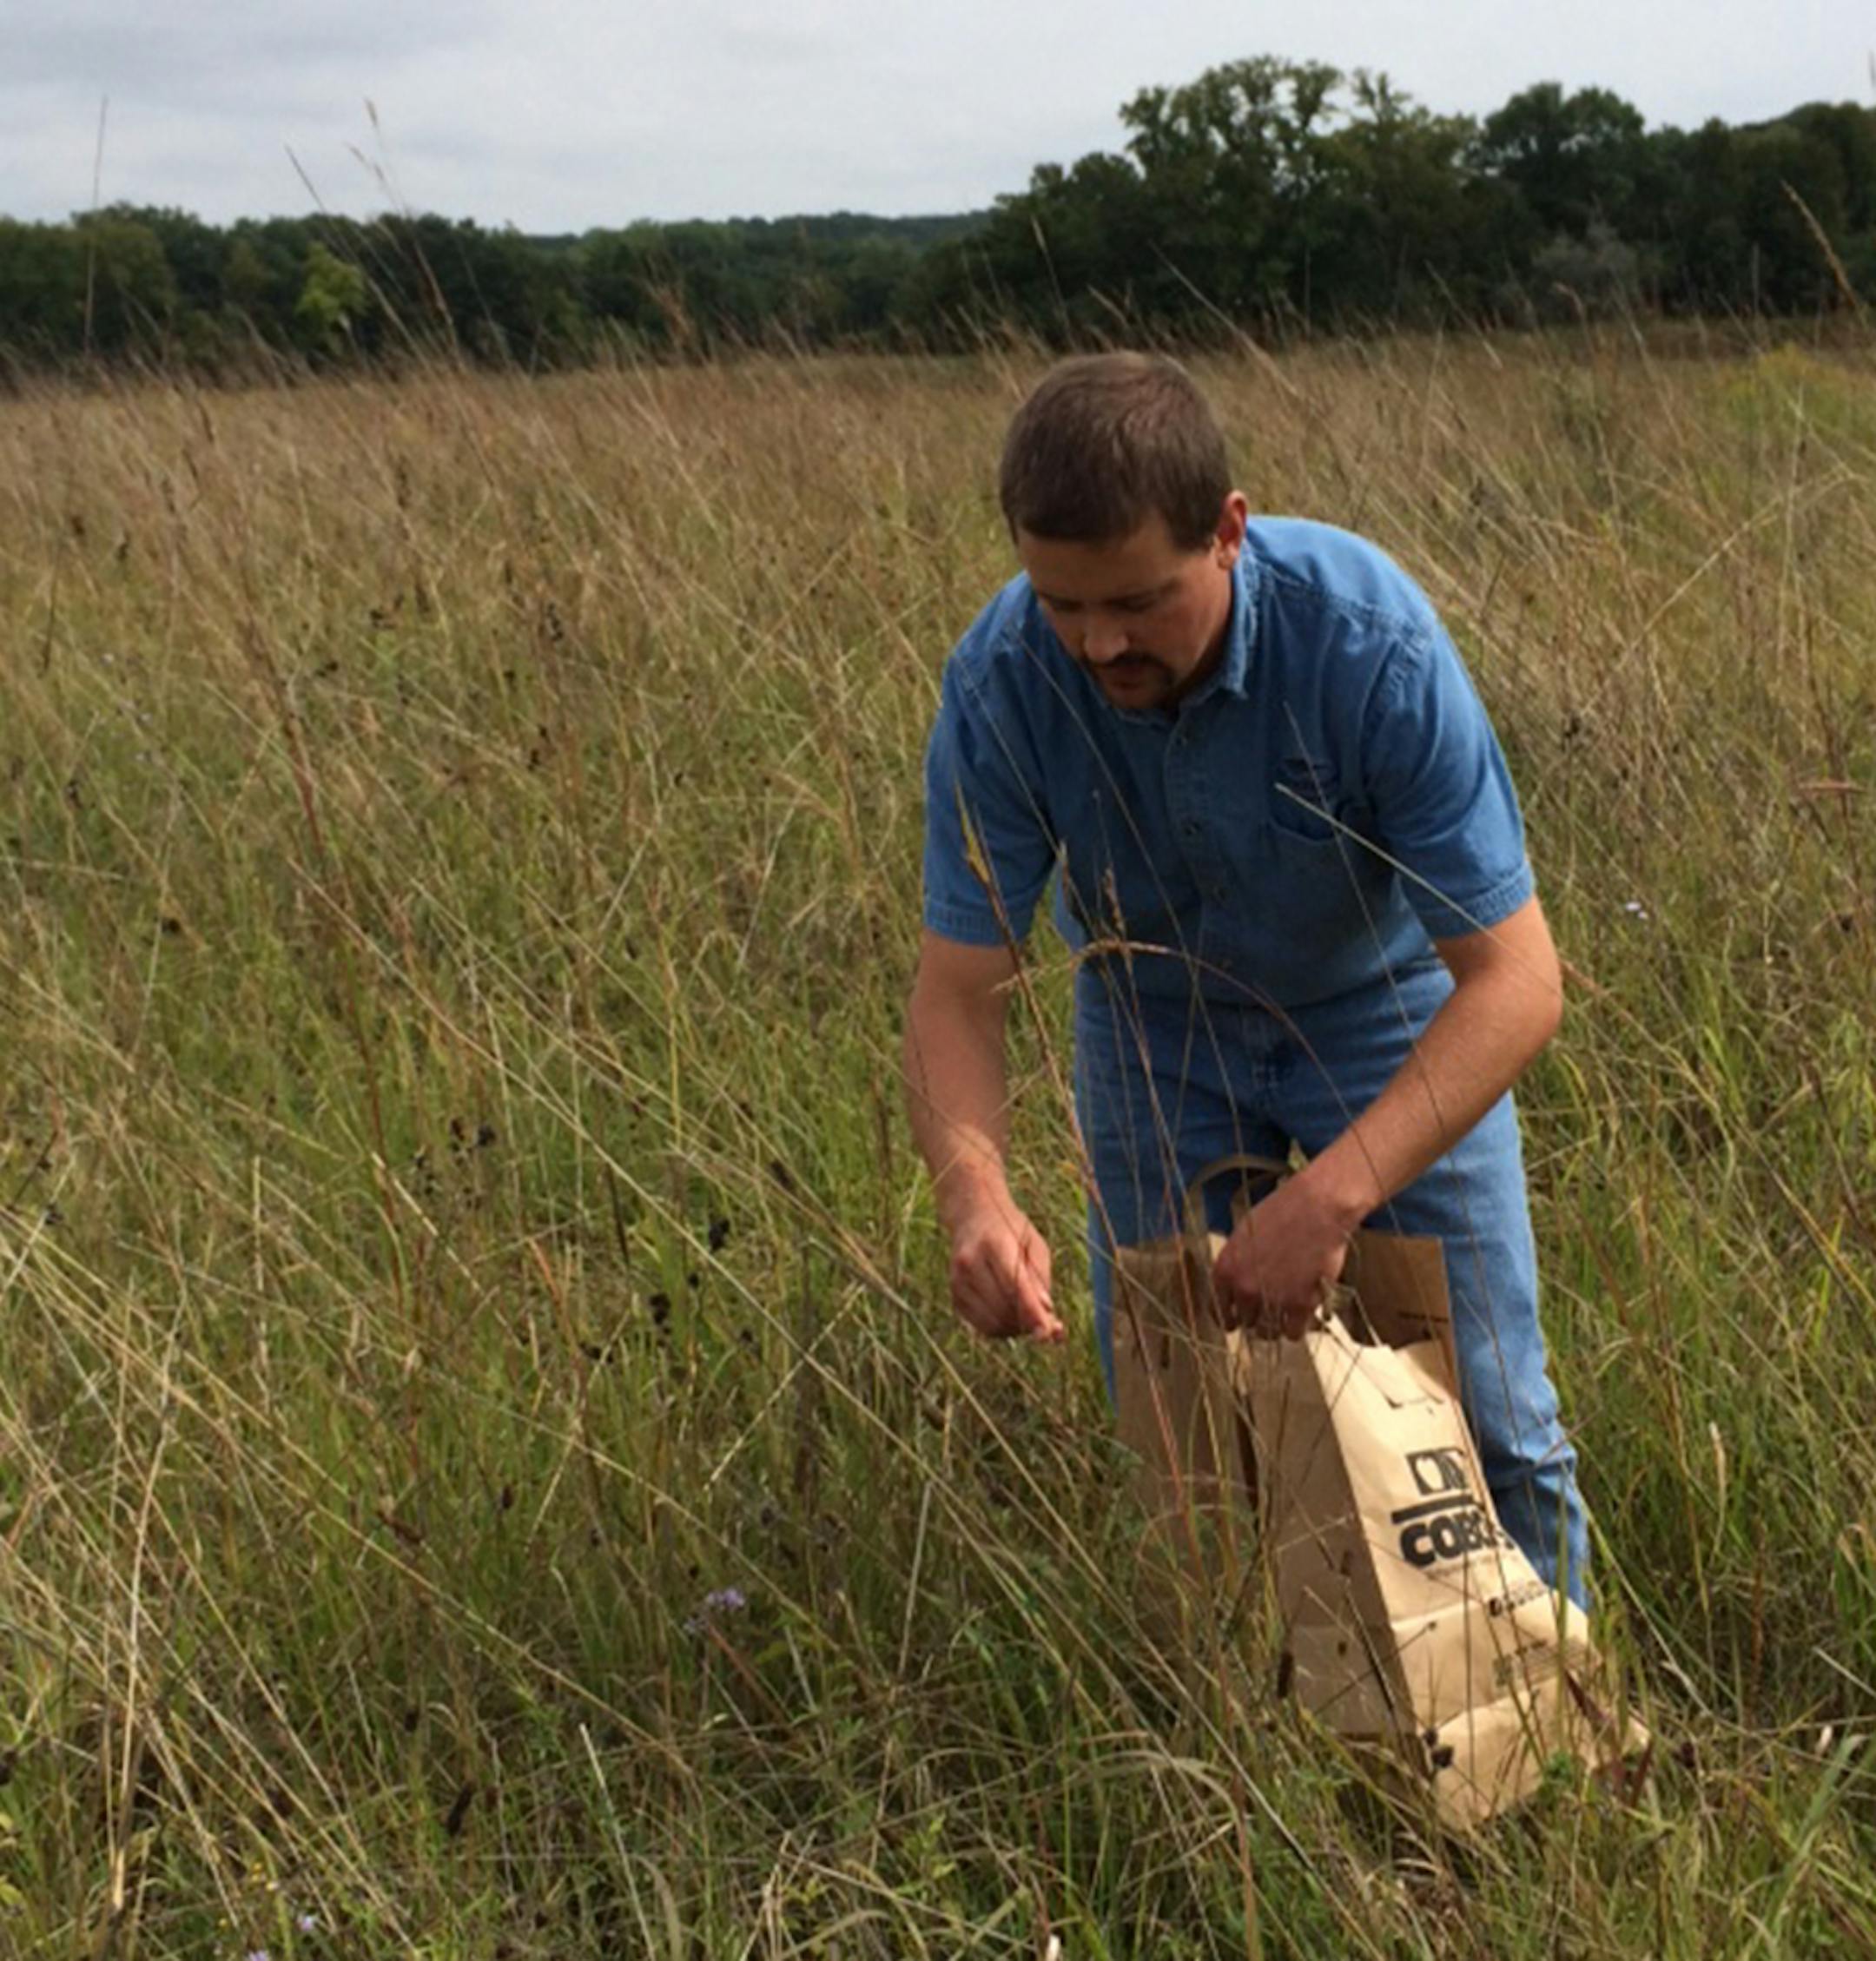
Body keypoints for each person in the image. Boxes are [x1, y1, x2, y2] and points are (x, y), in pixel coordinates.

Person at [902, 351, 1587, 1602]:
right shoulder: (1003, 677)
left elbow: (1517, 979)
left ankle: (1556, 1747)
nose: (1100, 641)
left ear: (1228, 532)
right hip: (1155, 1032)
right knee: (1186, 1441)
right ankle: (1262, 1744)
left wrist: (1332, 1199)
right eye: (1062, 602)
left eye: (1138, 600)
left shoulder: (1366, 642)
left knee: (1488, 1417)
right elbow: (959, 986)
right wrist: (977, 1203)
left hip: (1381, 1013)